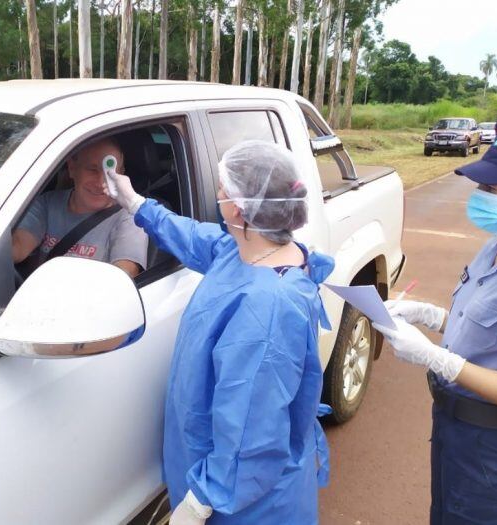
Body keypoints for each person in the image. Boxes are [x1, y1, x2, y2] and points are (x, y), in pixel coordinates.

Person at [105, 140, 334, 524]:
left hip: (245, 505)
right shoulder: (246, 250)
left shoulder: (269, 310)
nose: (218, 194)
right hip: (220, 477)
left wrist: (200, 504)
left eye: (224, 189)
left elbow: (251, 435)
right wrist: (136, 204)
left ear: (240, 208)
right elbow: (194, 236)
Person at [373, 130, 497, 525]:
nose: (479, 195)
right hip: (455, 432)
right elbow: (494, 332)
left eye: (492, 187)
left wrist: (438, 358)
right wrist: (434, 317)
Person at [12, 137, 148, 278]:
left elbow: (124, 275)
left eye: (110, 173)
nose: (101, 182)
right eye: (92, 169)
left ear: (121, 174)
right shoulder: (47, 203)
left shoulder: (130, 218)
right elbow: (18, 247)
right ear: (72, 168)